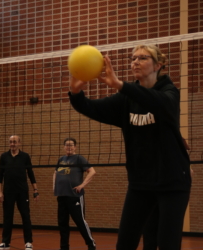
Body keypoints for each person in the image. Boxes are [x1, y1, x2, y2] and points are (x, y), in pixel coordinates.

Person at [69, 45, 191, 250]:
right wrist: (75, 93)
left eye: (143, 58)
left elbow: (160, 103)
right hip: (140, 182)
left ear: (158, 65)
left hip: (172, 182)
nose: (135, 61)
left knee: (167, 244)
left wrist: (120, 85)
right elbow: (93, 109)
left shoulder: (169, 92)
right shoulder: (126, 99)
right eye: (133, 58)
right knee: (125, 243)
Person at [142, 137, 191, 250]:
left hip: (172, 191)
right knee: (150, 234)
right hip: (151, 191)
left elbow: (189, 171)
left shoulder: (177, 153)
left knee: (169, 233)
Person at [0, 135, 39, 250]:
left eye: (14, 142)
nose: (12, 144)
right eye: (10, 142)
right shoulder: (4, 156)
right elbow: (0, 175)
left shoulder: (25, 156)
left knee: (26, 216)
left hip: (22, 192)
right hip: (8, 192)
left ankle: (28, 242)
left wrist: (36, 190)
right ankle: (5, 242)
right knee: (7, 217)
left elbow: (30, 173)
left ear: (19, 143)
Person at [53, 137, 96, 250]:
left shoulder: (78, 158)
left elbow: (92, 171)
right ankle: (64, 247)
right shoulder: (61, 159)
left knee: (80, 221)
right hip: (62, 196)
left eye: (71, 145)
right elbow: (55, 173)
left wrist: (82, 185)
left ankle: (91, 244)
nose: (69, 147)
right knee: (62, 224)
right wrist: (54, 186)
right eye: (67, 145)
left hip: (75, 196)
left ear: (75, 147)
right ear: (64, 147)